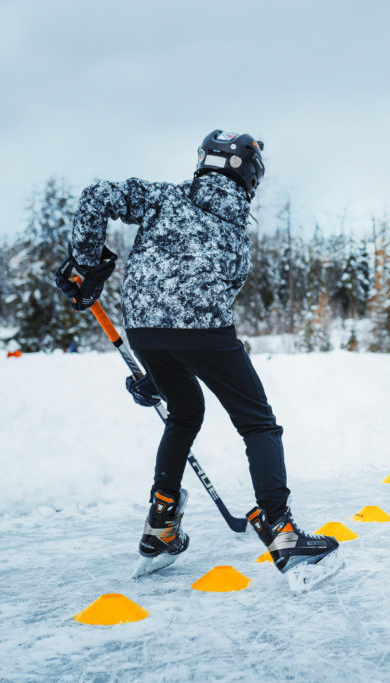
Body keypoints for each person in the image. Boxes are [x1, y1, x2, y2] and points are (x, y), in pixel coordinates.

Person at [55, 130, 341, 589]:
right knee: (258, 423)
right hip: (206, 332)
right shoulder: (236, 235)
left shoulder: (162, 198)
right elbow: (203, 313)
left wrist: (86, 267)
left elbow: (96, 196)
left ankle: (162, 525)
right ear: (248, 173)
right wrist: (89, 267)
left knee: (185, 412)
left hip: (144, 328)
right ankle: (282, 532)